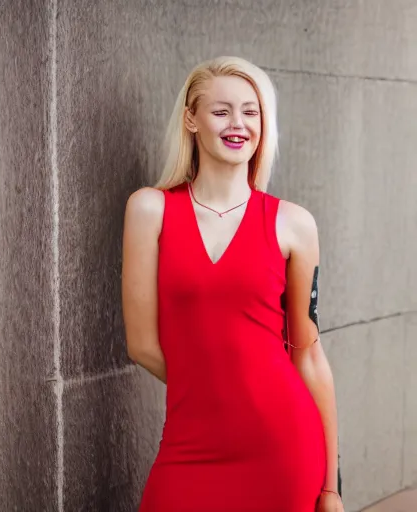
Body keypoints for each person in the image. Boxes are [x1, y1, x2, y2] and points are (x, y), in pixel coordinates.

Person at [121, 56, 344, 512]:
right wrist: (213, 393)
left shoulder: (293, 224)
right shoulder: (149, 210)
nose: (237, 123)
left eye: (251, 110)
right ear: (191, 119)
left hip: (283, 445)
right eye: (221, 111)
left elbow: (309, 355)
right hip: (189, 445)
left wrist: (331, 487)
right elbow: (141, 344)